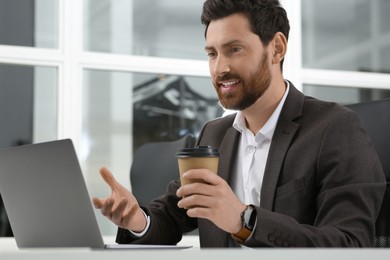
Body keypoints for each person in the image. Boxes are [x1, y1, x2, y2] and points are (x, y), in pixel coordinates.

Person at [92, 0, 386, 247]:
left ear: (277, 48)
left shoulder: (335, 128)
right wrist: (137, 220)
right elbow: (173, 213)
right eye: (212, 54)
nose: (220, 68)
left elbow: (351, 243)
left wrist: (244, 221)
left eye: (235, 49)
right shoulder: (215, 133)